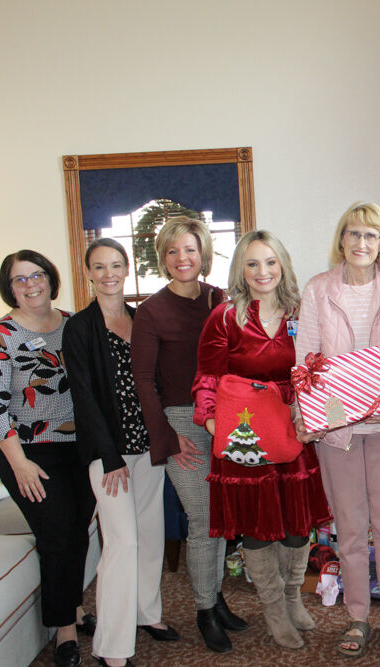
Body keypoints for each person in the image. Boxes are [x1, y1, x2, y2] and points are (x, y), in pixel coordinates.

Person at [192, 230, 331, 650]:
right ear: (241, 270)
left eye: (270, 262)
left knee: (295, 526)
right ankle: (273, 610)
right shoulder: (224, 317)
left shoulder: (300, 313)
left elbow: (318, 367)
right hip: (244, 434)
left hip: (292, 428)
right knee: (257, 528)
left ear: (282, 265)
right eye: (252, 263)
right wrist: (211, 420)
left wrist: (317, 412)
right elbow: (207, 376)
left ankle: (291, 597)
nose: (262, 271)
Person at [295, 202, 380, 658]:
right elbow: (307, 359)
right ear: (341, 240)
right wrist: (312, 414)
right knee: (349, 529)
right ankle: (358, 617)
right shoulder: (318, 289)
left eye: (372, 235)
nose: (362, 243)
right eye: (354, 234)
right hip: (338, 430)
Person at [131, 216, 247, 653]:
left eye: (190, 250)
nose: (183, 258)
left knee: (222, 518)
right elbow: (144, 381)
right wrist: (166, 436)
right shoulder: (150, 311)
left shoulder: (220, 300)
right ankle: (203, 611)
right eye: (173, 251)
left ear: (204, 254)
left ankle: (216, 600)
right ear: (163, 258)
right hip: (181, 421)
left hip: (227, 418)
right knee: (204, 520)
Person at [0, 250, 96, 667]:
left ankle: (76, 608)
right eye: (19, 280)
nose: (30, 285)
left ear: (50, 278)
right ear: (9, 287)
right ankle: (64, 630)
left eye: (37, 275)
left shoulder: (73, 323)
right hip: (27, 452)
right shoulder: (1, 335)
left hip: (79, 448)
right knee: (58, 534)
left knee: (79, 530)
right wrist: (19, 463)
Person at [63, 239, 178, 667]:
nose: (108, 273)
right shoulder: (78, 328)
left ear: (126, 269)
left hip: (147, 448)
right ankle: (111, 646)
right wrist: (109, 457)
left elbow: (157, 384)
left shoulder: (140, 318)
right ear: (88, 271)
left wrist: (167, 437)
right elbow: (84, 397)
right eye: (99, 266)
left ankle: (148, 613)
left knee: (150, 535)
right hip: (107, 454)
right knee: (122, 542)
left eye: (116, 265)